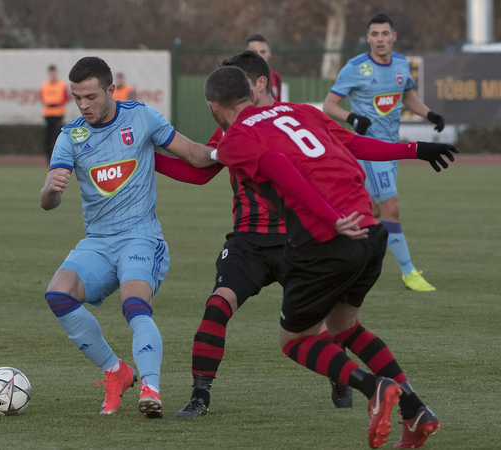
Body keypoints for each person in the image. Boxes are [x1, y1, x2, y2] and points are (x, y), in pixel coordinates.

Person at [206, 65, 454, 448]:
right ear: (251, 93)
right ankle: (416, 409)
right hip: (370, 231)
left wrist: (331, 218)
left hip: (328, 240)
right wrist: (416, 149)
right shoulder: (301, 111)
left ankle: (373, 387)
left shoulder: (234, 140)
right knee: (344, 328)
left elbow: (278, 166)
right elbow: (354, 144)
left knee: (294, 340)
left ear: (213, 107)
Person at [153, 51, 350, 417]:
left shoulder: (293, 119)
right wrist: (149, 160)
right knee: (217, 305)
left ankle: (340, 376)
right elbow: (199, 171)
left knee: (317, 324)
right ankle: (199, 397)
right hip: (247, 242)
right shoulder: (231, 128)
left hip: (294, 239)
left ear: (260, 84)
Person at [41, 56, 216, 419]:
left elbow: (196, 156)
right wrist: (50, 189)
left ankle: (150, 387)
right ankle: (115, 371)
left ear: (111, 90)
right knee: (58, 294)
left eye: (91, 96)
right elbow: (48, 202)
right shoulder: (71, 135)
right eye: (77, 98)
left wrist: (231, 148)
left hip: (140, 236)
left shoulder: (142, 117)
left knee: (133, 303)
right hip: (98, 241)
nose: (84, 105)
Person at [322, 13, 445, 292]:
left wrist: (430, 115)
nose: (380, 39)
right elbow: (329, 105)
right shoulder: (355, 68)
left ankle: (331, 252)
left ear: (394, 36)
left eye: (385, 34)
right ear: (368, 38)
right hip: (369, 151)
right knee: (392, 207)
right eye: (375, 34)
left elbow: (408, 96)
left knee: (372, 211)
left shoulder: (400, 63)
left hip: (392, 150)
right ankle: (409, 272)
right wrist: (352, 118)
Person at [39, 65, 70, 160]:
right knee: (48, 137)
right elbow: (41, 98)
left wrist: (57, 103)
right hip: (48, 114)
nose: (52, 75)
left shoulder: (62, 84)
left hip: (58, 114)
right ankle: (49, 157)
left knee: (58, 136)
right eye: (51, 73)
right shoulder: (44, 85)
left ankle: (59, 156)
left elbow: (66, 98)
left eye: (53, 73)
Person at [246, 34, 282, 101]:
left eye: (263, 52)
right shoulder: (240, 77)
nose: (259, 56)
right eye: (254, 52)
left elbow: (278, 104)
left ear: (269, 53)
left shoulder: (276, 77)